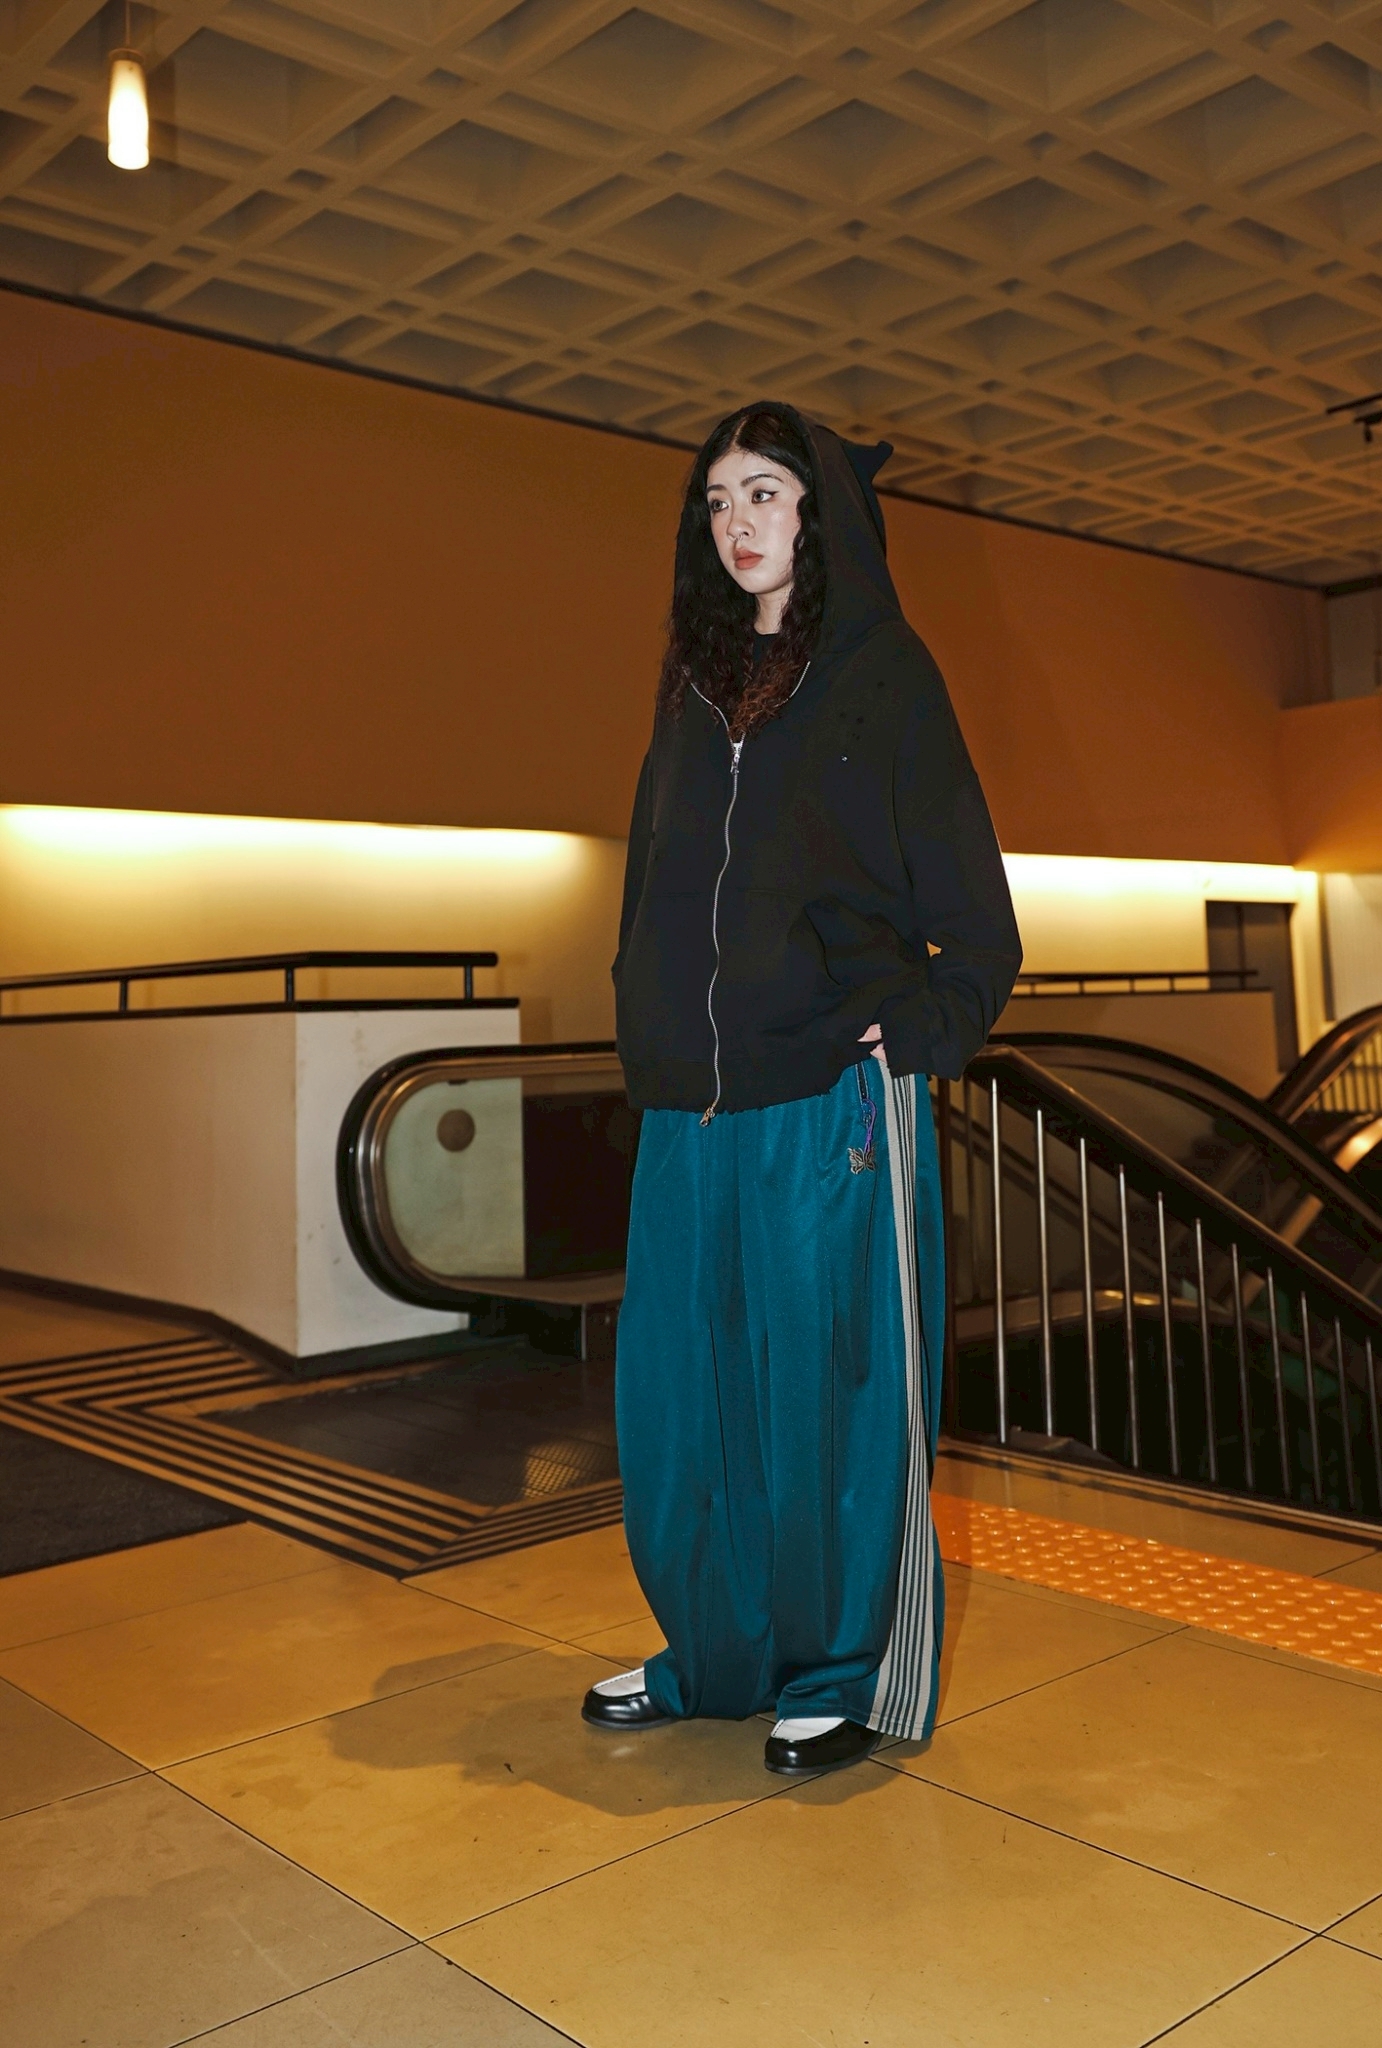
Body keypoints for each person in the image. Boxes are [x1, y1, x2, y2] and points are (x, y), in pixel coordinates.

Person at [583, 401, 1021, 1775]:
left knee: (833, 1394)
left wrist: (926, 1023)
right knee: (687, 1399)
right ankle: (713, 1657)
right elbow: (653, 880)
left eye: (764, 492)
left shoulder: (885, 675)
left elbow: (976, 914)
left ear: (818, 512)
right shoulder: (695, 686)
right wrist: (644, 1021)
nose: (737, 523)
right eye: (717, 500)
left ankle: (841, 1670)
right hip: (692, 1107)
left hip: (831, 1102)